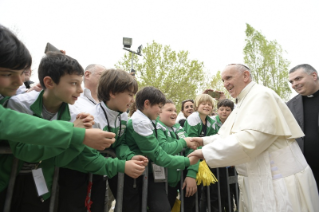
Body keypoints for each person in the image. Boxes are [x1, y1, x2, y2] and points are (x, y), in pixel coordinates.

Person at [188, 64, 319, 212]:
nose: (225, 84)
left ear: (245, 76)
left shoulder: (261, 95)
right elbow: (229, 134)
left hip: (279, 180)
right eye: (223, 80)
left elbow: (252, 139)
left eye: (229, 78)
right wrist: (204, 141)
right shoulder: (244, 100)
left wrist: (205, 152)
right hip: (259, 178)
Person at [0, 24, 116, 150]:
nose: (20, 81)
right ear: (49, 82)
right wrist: (74, 134)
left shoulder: (76, 113)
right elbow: (14, 130)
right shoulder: (19, 104)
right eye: (7, 74)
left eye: (22, 73)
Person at [58, 68, 147, 212]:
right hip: (75, 176)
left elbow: (120, 143)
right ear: (112, 92)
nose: (132, 100)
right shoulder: (90, 118)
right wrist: (123, 165)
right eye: (130, 94)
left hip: (99, 173)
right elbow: (88, 159)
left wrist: (129, 156)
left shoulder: (123, 116)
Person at [121, 86, 198, 212]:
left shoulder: (148, 120)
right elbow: (159, 155)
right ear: (147, 104)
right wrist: (187, 161)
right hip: (135, 176)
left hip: (146, 175)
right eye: (160, 106)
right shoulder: (140, 122)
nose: (160, 111)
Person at [157, 99, 197, 212]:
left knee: (190, 205)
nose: (174, 113)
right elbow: (164, 148)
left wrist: (191, 174)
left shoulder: (179, 128)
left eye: (175, 110)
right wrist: (184, 142)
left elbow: (193, 147)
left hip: (180, 179)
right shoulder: (156, 127)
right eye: (169, 110)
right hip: (160, 182)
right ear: (159, 112)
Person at [287, 64, 319, 189]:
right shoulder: (289, 106)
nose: (294, 84)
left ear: (314, 76)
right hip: (307, 171)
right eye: (291, 81)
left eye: (298, 79)